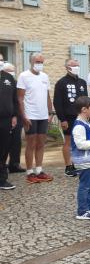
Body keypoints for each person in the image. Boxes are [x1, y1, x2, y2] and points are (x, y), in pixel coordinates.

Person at [17, 53, 54, 184]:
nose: (40, 64)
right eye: (37, 61)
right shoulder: (23, 76)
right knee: (31, 143)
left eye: (41, 62)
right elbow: (20, 98)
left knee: (41, 143)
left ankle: (39, 170)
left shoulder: (45, 76)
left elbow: (47, 96)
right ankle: (29, 172)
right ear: (31, 62)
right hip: (30, 115)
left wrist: (50, 113)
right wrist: (24, 116)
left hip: (43, 115)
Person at [53, 59, 88, 177]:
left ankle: (77, 163)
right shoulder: (61, 83)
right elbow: (57, 102)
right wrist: (62, 119)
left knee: (80, 141)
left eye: (77, 65)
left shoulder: (82, 82)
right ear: (67, 67)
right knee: (68, 141)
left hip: (81, 117)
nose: (76, 67)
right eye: (73, 65)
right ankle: (68, 166)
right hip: (68, 117)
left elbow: (86, 100)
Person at [1, 62, 25, 174]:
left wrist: (16, 115)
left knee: (16, 141)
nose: (13, 73)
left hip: (16, 115)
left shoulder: (14, 82)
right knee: (4, 143)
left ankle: (14, 164)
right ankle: (3, 166)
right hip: (4, 117)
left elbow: (17, 100)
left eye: (13, 70)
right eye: (10, 70)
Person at [0, 57, 19, 190]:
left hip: (6, 120)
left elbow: (15, 99)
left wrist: (14, 115)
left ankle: (2, 179)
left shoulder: (8, 78)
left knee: (4, 150)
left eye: (1, 60)